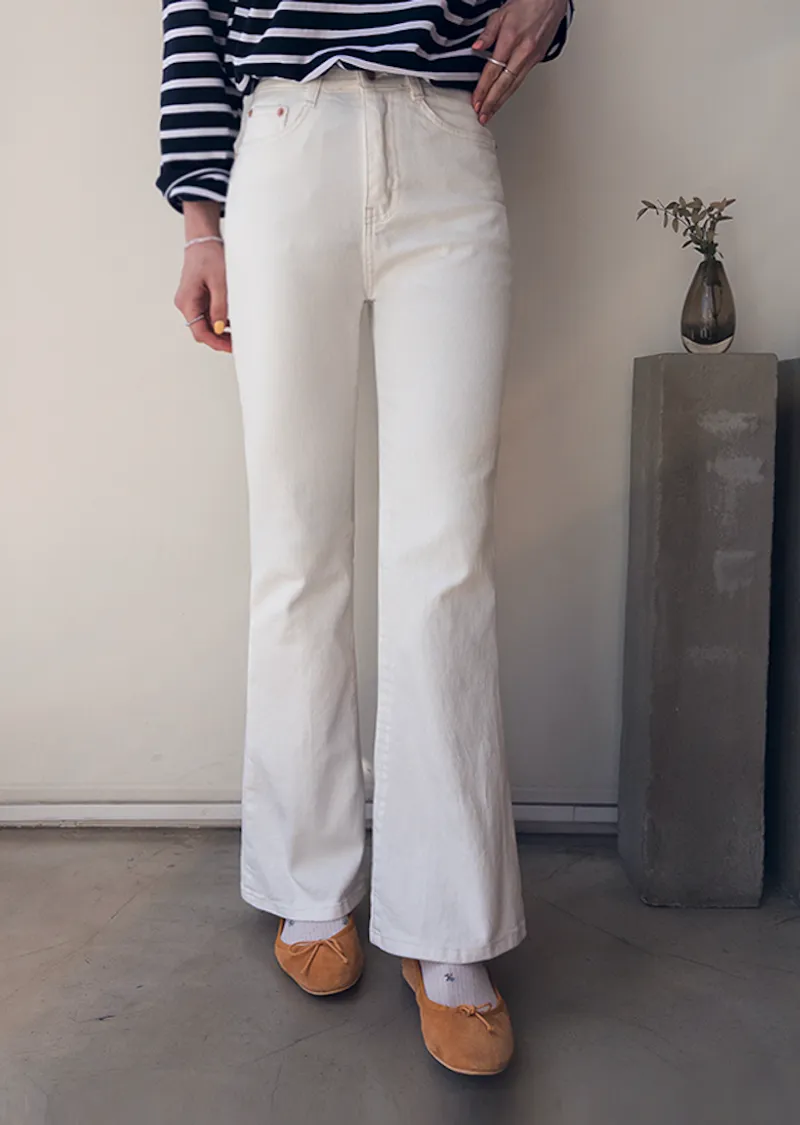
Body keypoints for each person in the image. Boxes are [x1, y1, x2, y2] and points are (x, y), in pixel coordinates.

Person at [158, 0, 573, 1077]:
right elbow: (191, 17)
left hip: (445, 134)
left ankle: (449, 926)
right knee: (296, 545)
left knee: (446, 554)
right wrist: (199, 221)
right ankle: (310, 882)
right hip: (285, 138)